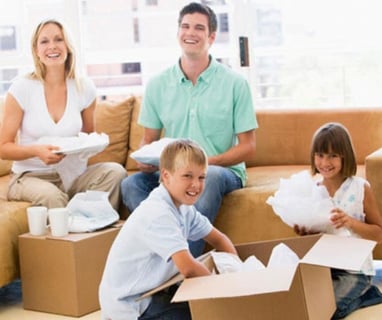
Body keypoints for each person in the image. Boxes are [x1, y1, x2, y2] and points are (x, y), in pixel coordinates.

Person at [121, 2, 258, 257]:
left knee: (209, 178)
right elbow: (148, 141)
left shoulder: (235, 84)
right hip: (173, 173)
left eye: (198, 28)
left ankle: (180, 276)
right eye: (185, 26)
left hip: (220, 171)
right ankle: (171, 254)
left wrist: (204, 165)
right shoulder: (158, 85)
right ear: (178, 33)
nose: (190, 33)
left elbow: (248, 147)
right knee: (131, 185)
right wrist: (146, 161)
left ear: (212, 37)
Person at [99, 139, 237, 320]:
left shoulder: (184, 208)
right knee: (206, 313)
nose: (196, 184)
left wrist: (237, 272)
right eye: (187, 176)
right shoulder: (158, 213)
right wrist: (226, 292)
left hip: (153, 291)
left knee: (209, 304)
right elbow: (188, 268)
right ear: (166, 176)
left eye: (201, 177)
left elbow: (219, 240)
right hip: (132, 305)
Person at [0, 19, 126, 210]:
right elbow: (3, 147)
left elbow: (87, 138)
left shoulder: (84, 88)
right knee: (54, 197)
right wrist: (37, 151)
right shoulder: (22, 87)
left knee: (115, 172)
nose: (52, 46)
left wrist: (86, 147)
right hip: (30, 176)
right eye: (44, 41)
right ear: (36, 50)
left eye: (59, 39)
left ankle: (89, 227)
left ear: (68, 45)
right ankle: (75, 225)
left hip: (72, 176)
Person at [294, 122, 382, 319]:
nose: (325, 162)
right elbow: (315, 237)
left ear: (345, 156)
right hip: (323, 267)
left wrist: (350, 222)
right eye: (320, 155)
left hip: (355, 270)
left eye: (333, 155)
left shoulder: (360, 188)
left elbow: (379, 234)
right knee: (304, 306)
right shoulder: (312, 190)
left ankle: (368, 294)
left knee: (327, 312)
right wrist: (305, 233)